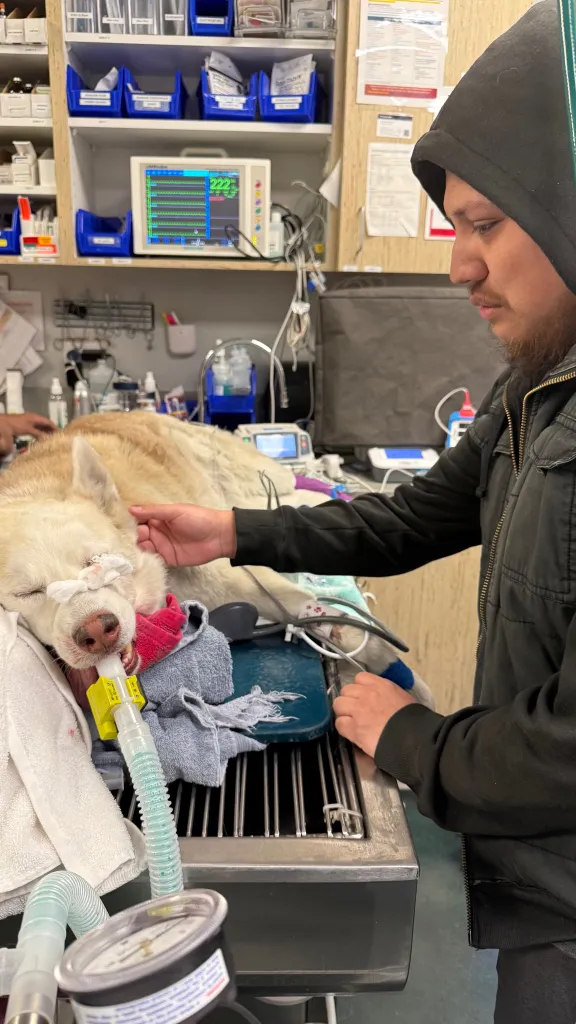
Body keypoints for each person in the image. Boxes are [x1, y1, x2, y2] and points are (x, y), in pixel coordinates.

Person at [130, 3, 576, 1020]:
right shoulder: (538, 388)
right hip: (537, 879)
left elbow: (566, 745)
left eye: (487, 226)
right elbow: (410, 520)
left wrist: (411, 733)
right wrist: (239, 533)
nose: (461, 267)